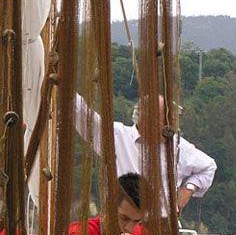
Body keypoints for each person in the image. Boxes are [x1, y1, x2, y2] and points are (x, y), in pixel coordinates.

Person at [74, 93, 216, 216]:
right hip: (123, 224)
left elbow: (208, 167)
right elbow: (83, 115)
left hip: (163, 225)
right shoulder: (117, 137)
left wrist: (188, 189)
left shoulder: (178, 146)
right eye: (166, 120)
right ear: (146, 118)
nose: (171, 126)